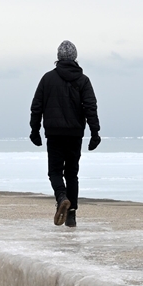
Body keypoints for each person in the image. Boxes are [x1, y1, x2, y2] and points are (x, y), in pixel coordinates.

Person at [29, 40, 101, 227]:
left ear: (58, 57)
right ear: (75, 58)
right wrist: (95, 132)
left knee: (54, 171)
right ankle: (71, 215)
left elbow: (36, 106)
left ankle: (61, 198)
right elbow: (90, 108)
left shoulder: (47, 79)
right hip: (75, 133)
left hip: (54, 133)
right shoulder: (83, 80)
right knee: (71, 173)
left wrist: (34, 130)